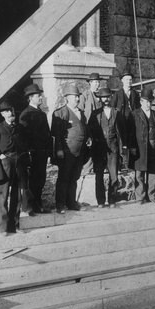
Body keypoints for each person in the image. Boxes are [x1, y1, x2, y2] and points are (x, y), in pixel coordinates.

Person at [51, 83, 90, 212]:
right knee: (64, 178)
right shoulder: (61, 112)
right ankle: (60, 204)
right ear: (67, 98)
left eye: (78, 96)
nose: (77, 99)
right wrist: (59, 150)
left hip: (79, 152)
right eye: (75, 97)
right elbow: (56, 135)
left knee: (74, 177)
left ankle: (71, 202)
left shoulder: (81, 113)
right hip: (67, 152)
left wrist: (88, 139)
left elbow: (84, 129)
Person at [0, 101, 23, 234]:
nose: (11, 113)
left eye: (12, 111)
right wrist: (0, 156)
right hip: (4, 163)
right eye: (7, 111)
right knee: (3, 195)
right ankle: (3, 228)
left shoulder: (18, 128)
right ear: (2, 114)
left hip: (17, 162)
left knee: (17, 196)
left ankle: (15, 227)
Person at [88, 84, 127, 207]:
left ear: (111, 97)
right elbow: (90, 131)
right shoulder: (95, 114)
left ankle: (112, 200)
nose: (105, 99)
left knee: (114, 175)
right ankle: (100, 201)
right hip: (99, 148)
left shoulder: (117, 113)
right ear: (99, 99)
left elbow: (121, 132)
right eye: (103, 97)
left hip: (113, 148)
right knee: (99, 175)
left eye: (107, 97)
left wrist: (122, 149)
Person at [19, 83, 52, 214]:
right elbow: (23, 137)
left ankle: (38, 205)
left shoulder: (41, 114)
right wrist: (28, 152)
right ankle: (29, 207)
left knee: (40, 179)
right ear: (31, 97)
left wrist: (49, 151)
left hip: (42, 153)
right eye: (38, 96)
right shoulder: (25, 114)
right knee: (32, 180)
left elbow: (47, 134)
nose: (41, 98)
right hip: (32, 153)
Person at [131, 88, 155, 204]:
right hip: (140, 148)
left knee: (153, 172)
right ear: (141, 101)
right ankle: (140, 197)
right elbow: (130, 132)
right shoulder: (135, 114)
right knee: (139, 173)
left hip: (154, 148)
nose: (148, 104)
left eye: (150, 102)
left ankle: (151, 196)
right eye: (146, 101)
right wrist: (132, 147)